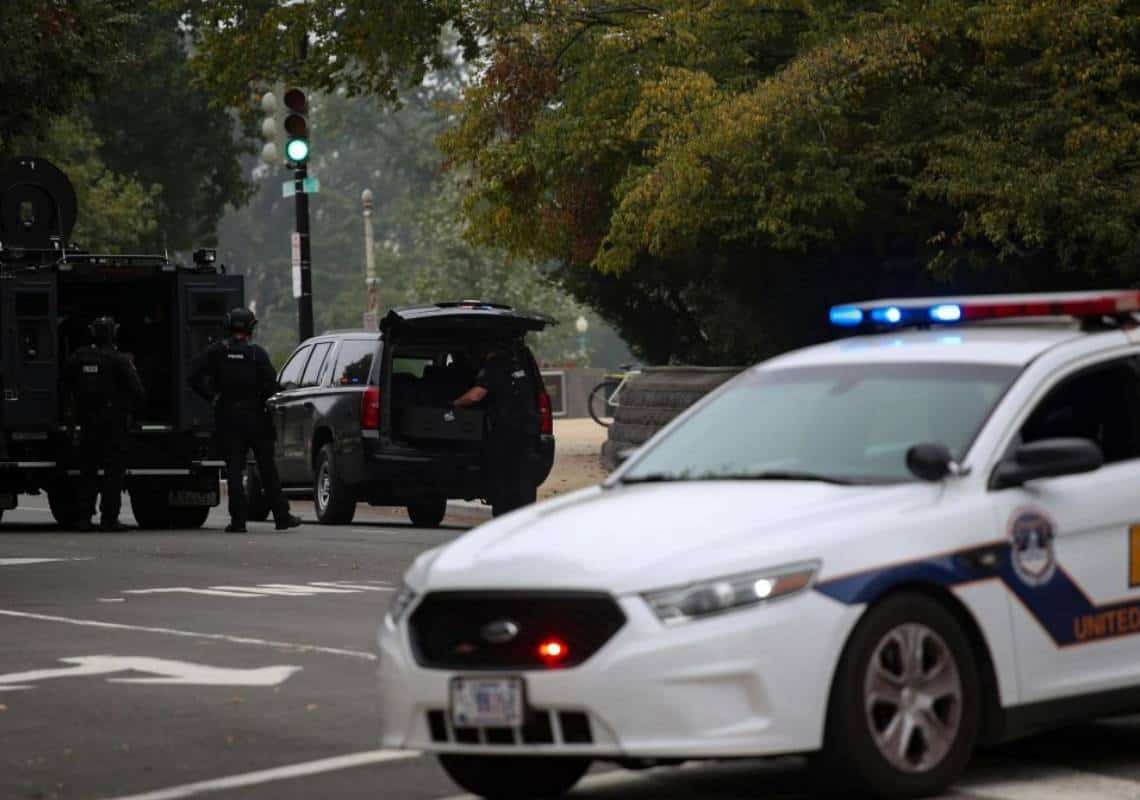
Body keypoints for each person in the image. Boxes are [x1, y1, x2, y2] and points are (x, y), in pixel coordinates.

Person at [187, 307, 301, 533]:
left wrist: (212, 397)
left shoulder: (216, 352)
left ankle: (238, 521)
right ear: (250, 328)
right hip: (257, 418)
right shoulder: (257, 354)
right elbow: (271, 386)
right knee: (267, 469)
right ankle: (281, 516)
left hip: (228, 419)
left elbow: (192, 376)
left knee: (235, 470)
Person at [61, 316, 145, 532]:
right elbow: (137, 391)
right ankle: (109, 518)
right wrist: (127, 411)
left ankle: (84, 518)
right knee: (112, 473)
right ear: (113, 333)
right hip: (113, 423)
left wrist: (71, 417)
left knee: (87, 472)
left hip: (87, 422)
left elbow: (64, 385)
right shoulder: (118, 359)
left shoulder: (78, 357)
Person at [453, 339, 540, 516]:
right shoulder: (523, 366)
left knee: (502, 472)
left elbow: (476, 396)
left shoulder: (494, 366)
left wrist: (453, 403)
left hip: (506, 430)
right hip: (529, 429)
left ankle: (503, 514)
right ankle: (525, 515)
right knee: (523, 473)